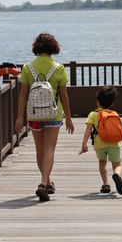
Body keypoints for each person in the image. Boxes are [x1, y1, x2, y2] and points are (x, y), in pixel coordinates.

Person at [15, 33, 74, 202]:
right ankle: (43, 183)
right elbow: (64, 96)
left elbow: (23, 94)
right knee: (49, 150)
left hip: (34, 115)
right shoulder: (58, 68)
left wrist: (20, 117)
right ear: (53, 47)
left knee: (40, 151)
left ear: (36, 47)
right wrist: (68, 117)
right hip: (53, 114)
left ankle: (48, 182)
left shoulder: (27, 67)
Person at [78, 86, 122, 195]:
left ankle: (105, 184)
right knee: (117, 164)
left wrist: (84, 144)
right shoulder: (114, 114)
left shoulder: (93, 114)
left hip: (99, 145)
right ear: (112, 103)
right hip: (114, 144)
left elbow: (88, 130)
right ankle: (117, 175)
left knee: (102, 162)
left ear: (98, 101)